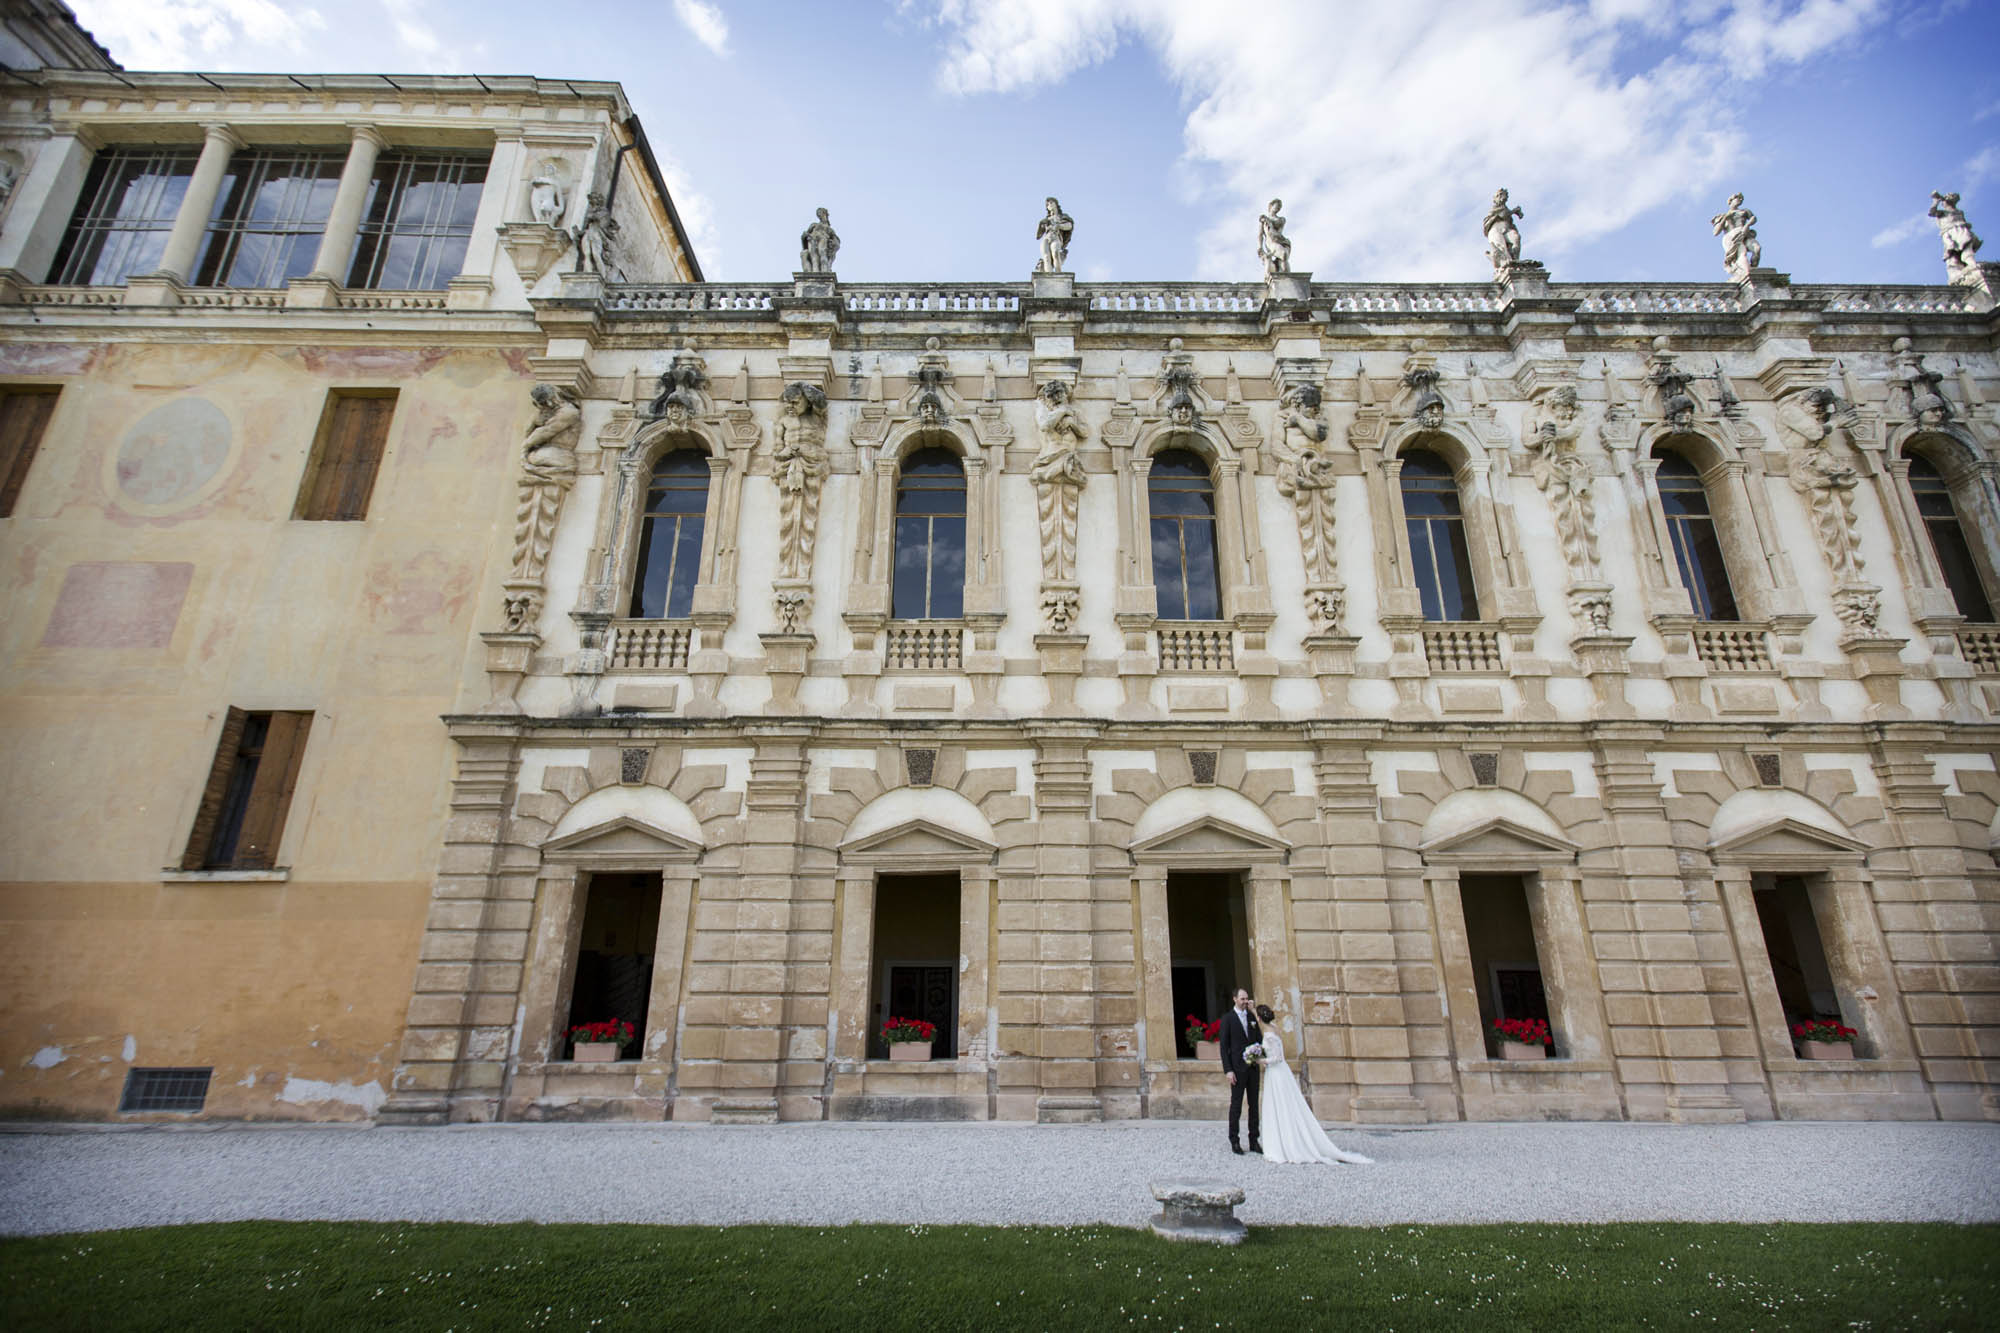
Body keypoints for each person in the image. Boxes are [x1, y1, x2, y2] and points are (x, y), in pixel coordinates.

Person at [1254, 1004, 1373, 1165]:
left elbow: (1277, 1058)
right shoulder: (1275, 1028)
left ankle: (1282, 1145)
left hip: (1275, 1072)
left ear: (1260, 1018)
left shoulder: (1268, 1035)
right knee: (1287, 1105)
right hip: (1282, 1072)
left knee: (1278, 1106)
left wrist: (1259, 1060)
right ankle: (1289, 1139)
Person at [1219, 987, 1261, 1155]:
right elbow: (1224, 1047)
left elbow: (1259, 1039)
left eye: (1247, 999)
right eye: (1242, 999)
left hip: (1252, 1068)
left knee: (1254, 1105)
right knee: (1236, 1106)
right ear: (1235, 999)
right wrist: (1228, 1070)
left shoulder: (1251, 1017)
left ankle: (1254, 1140)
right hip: (1237, 1069)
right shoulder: (1227, 1019)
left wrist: (1258, 1055)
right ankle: (1234, 1140)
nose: (1245, 1001)